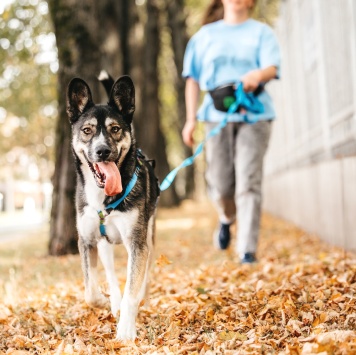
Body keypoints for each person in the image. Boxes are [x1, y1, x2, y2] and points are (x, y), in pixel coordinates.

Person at [182, 0, 281, 263]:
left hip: (255, 115)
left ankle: (246, 250)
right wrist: (191, 120)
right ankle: (226, 218)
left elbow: (272, 67)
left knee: (249, 182)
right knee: (222, 184)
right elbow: (192, 79)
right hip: (216, 118)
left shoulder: (261, 32)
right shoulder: (204, 37)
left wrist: (258, 75)